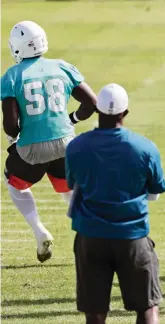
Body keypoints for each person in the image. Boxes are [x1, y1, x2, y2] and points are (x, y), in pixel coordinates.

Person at [66, 83, 165, 324]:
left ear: (97, 110)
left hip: (90, 237)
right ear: (125, 113)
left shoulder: (77, 146)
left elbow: (72, 183)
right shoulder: (144, 147)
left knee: (95, 312)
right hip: (132, 236)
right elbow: (156, 190)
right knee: (147, 307)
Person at [1, 20, 96, 263]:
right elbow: (92, 104)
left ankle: (38, 230)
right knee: (69, 189)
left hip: (32, 148)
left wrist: (15, 140)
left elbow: (11, 124)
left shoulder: (12, 75)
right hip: (66, 143)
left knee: (16, 183)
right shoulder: (62, 66)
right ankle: (90, 238)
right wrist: (72, 119)